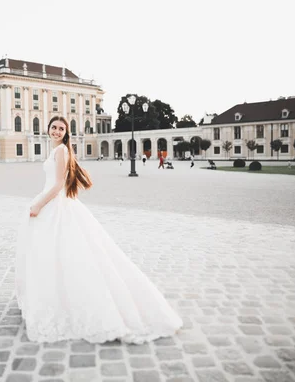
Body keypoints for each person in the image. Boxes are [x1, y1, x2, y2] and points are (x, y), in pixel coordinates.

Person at [16, 116, 182, 344]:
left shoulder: (62, 151)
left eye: (61, 129)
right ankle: (56, 297)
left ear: (66, 133)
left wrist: (38, 204)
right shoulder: (56, 151)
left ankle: (66, 301)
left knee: (62, 253)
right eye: (54, 127)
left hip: (55, 206)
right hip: (55, 205)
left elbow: (58, 185)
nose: (56, 131)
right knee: (54, 254)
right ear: (48, 130)